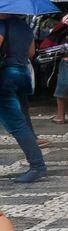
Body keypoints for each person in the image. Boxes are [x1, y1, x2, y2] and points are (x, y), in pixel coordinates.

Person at [0, 12, 44, 183]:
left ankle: (37, 166)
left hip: (6, 76)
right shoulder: (24, 26)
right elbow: (31, 53)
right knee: (22, 120)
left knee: (17, 125)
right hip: (21, 73)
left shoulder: (2, 24)